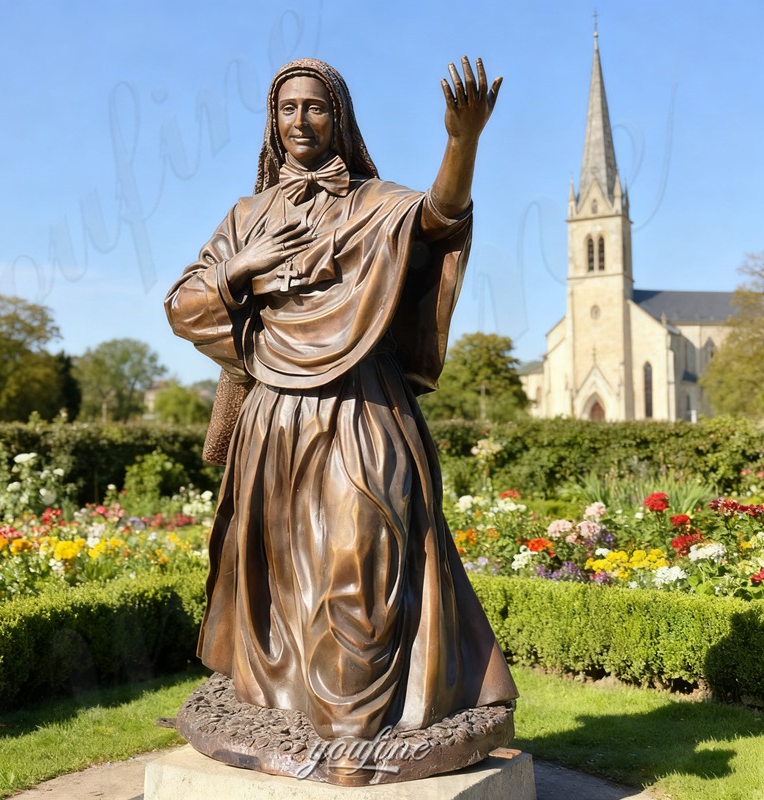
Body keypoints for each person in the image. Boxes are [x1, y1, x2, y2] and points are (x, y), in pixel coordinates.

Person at [165, 57, 518, 742]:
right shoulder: (247, 215)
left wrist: (462, 141)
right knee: (288, 582)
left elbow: (442, 217)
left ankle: (356, 721)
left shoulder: (376, 203)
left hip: (364, 411)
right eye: (287, 108)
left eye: (315, 107)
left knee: (366, 557)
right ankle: (292, 711)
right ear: (274, 122)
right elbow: (183, 304)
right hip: (276, 420)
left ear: (340, 118)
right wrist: (240, 269)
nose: (300, 120)